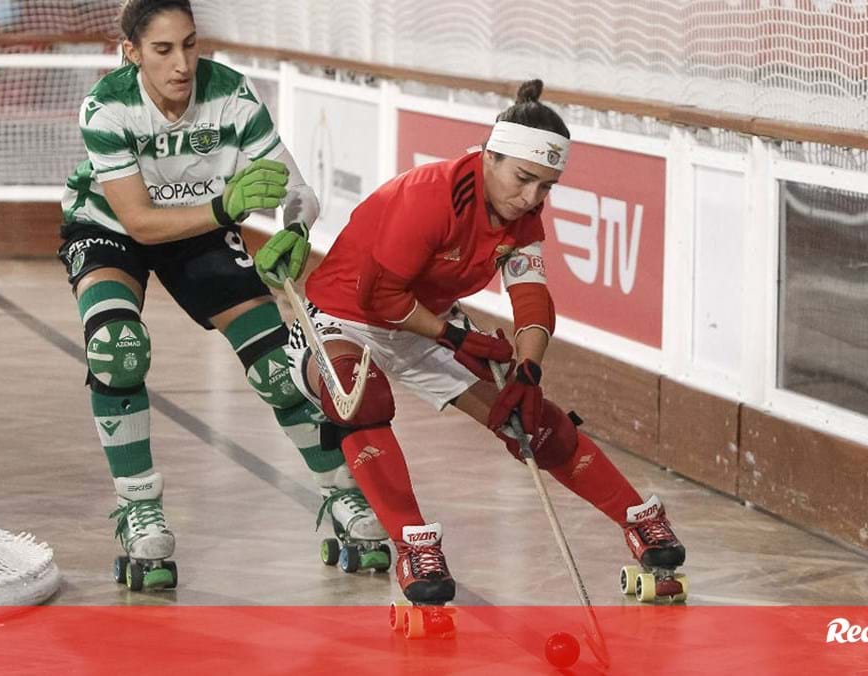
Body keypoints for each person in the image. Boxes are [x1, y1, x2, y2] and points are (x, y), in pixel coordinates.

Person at [283, 79, 686, 605]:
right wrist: (454, 337)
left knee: (530, 420)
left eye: (546, 187)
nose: (532, 198)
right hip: (344, 316)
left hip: (425, 321)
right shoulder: (430, 194)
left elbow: (533, 298)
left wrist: (528, 371)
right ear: (490, 156)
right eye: (523, 179)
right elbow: (381, 296)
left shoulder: (524, 213)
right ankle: (413, 546)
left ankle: (640, 521)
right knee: (361, 398)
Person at [56, 0, 386, 590]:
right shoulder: (107, 107)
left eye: (189, 44)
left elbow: (297, 189)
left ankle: (344, 497)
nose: (181, 63)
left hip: (201, 231)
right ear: (131, 53)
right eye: (162, 50)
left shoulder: (232, 95)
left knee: (278, 371)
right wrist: (225, 206)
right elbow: (139, 222)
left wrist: (293, 228)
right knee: (116, 346)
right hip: (110, 229)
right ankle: (139, 511)